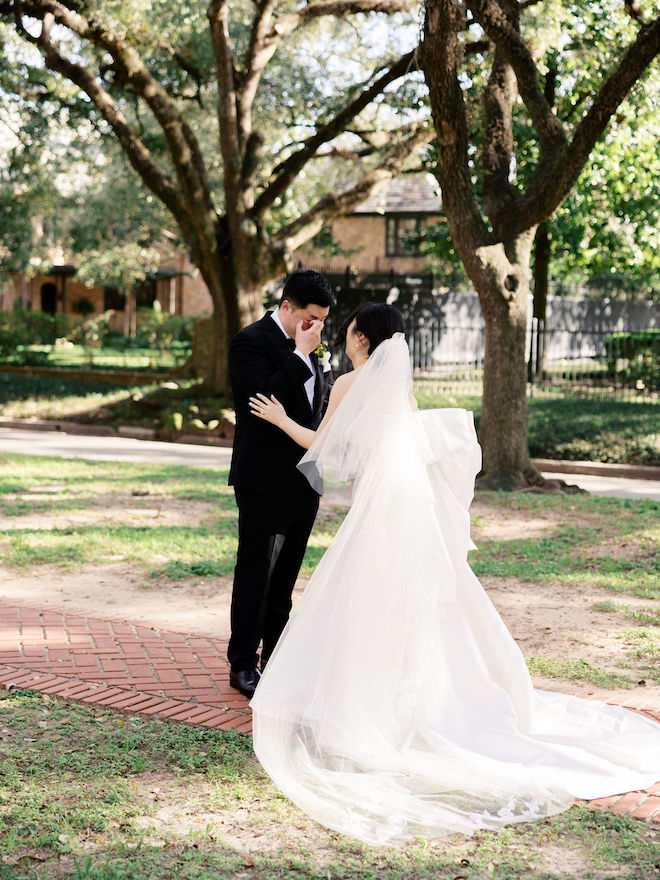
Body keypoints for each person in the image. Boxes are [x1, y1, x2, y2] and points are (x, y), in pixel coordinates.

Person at [247, 302, 660, 846]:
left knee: (365, 601)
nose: (345, 337)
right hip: (409, 514)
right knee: (409, 605)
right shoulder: (400, 392)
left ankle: (368, 707)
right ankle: (412, 699)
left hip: (377, 514)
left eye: (349, 331)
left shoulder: (350, 386)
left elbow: (326, 451)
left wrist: (280, 419)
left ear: (362, 340)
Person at [227, 269, 335, 698]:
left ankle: (275, 655)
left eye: (323, 320)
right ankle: (243, 663)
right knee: (258, 571)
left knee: (286, 574)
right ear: (286, 306)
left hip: (306, 480)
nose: (317, 327)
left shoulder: (312, 347)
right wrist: (300, 354)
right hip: (264, 478)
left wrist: (309, 351)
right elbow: (262, 399)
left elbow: (316, 407)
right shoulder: (250, 342)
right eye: (310, 317)